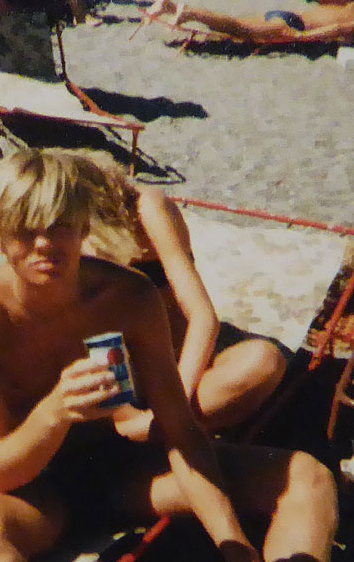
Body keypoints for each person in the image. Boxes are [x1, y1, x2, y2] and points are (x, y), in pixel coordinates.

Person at [0, 148, 338, 562]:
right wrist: (54, 412)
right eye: (23, 228)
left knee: (307, 478)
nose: (43, 243)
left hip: (126, 472)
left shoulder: (129, 297)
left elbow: (184, 434)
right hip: (37, 492)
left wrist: (241, 559)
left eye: (59, 224)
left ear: (84, 227)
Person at [78, 150, 286, 441]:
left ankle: (146, 432)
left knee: (264, 361)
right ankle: (144, 430)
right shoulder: (62, 242)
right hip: (121, 374)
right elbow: (96, 342)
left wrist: (176, 403)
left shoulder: (145, 206)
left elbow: (202, 317)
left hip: (182, 364)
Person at [146, 0, 354, 42]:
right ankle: (187, 12)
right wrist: (301, 36)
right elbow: (334, 28)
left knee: (234, 22)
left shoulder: (348, 4)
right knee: (238, 28)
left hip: (286, 16)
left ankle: (171, 6)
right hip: (291, 25)